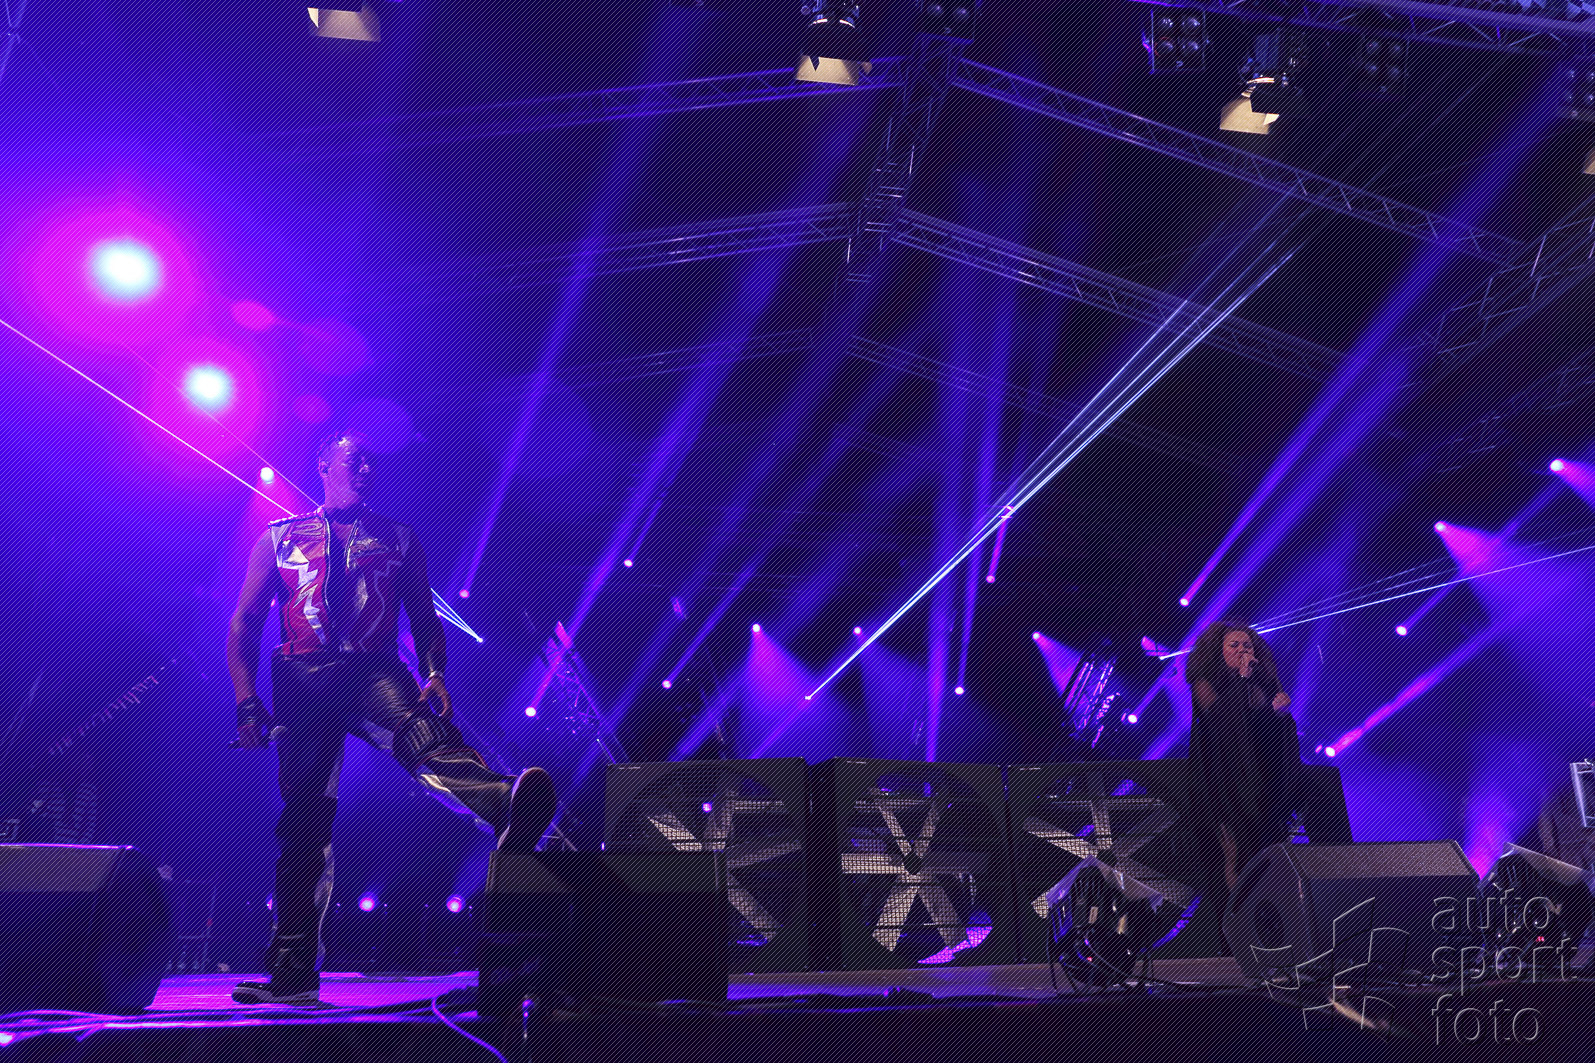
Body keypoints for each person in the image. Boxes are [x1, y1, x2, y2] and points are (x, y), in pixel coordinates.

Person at [225, 430, 556, 1005]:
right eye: (355, 459)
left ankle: (505, 802)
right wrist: (247, 701)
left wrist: (434, 673)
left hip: (373, 669)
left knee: (425, 739)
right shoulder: (279, 536)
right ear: (324, 465)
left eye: (371, 463)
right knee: (303, 823)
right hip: (302, 679)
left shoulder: (399, 537)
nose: (366, 469)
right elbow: (244, 623)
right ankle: (292, 970)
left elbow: (425, 617)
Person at [1184, 620, 1302, 926]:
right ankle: (1240, 923)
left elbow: (1265, 731)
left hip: (1257, 778)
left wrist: (1280, 712)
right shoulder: (1204, 680)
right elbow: (1220, 720)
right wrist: (1241, 679)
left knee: (1267, 849)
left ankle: (1274, 920)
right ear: (1219, 650)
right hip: (1222, 778)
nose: (1241, 650)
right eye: (1233, 645)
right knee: (1234, 849)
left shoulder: (1261, 681)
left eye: (1247, 645)